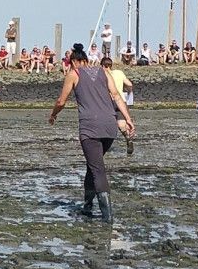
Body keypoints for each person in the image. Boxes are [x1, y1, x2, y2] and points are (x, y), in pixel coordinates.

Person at [49, 44, 136, 223]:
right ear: (86, 60)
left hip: (90, 128)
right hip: (109, 127)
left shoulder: (74, 74)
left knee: (97, 169)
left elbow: (61, 100)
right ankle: (87, 205)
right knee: (93, 164)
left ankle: (108, 217)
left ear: (73, 62)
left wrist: (53, 115)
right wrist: (128, 118)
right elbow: (117, 96)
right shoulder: (104, 72)